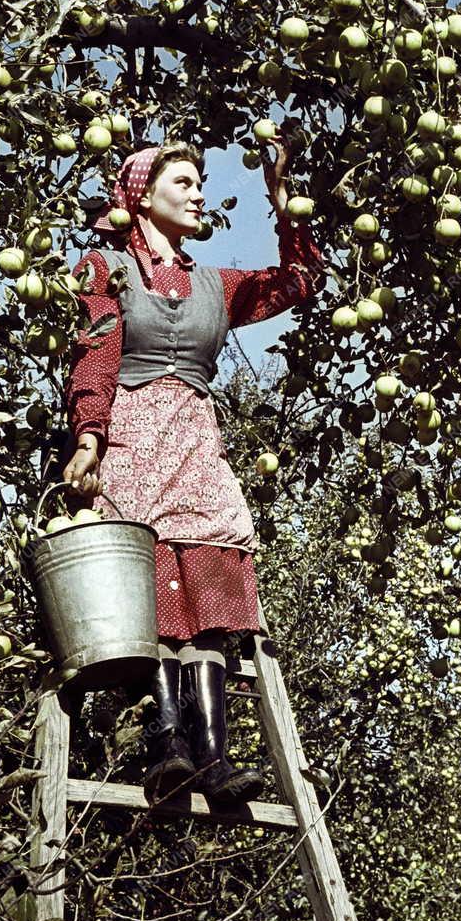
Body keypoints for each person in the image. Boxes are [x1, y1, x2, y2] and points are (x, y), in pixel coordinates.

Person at [60, 135, 323, 805]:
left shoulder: (216, 285)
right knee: (147, 595)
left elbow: (298, 281)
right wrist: (89, 440)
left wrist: (283, 197)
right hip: (135, 444)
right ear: (144, 194)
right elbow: (97, 356)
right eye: (184, 181)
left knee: (206, 598)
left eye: (202, 181)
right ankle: (167, 745)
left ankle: (214, 756)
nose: (200, 192)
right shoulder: (107, 268)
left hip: (197, 449)